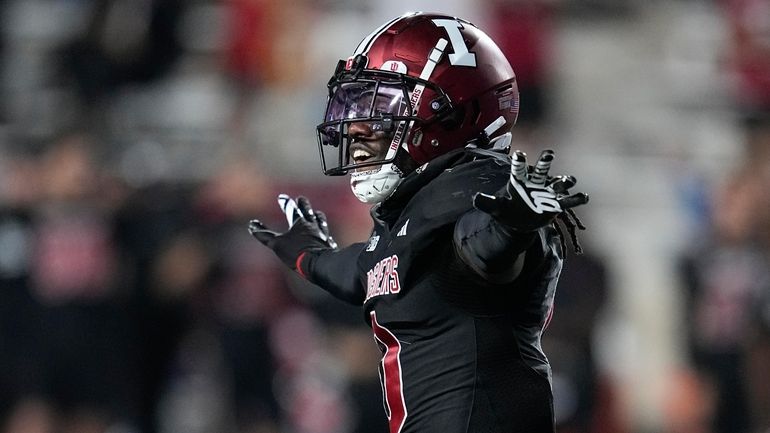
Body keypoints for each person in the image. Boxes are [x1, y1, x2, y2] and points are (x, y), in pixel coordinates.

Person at [248, 12, 589, 433]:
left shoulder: (478, 187)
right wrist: (309, 256)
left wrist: (511, 228)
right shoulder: (415, 207)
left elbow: (478, 249)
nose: (354, 127)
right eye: (356, 106)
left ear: (447, 112)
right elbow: (369, 272)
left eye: (377, 106)